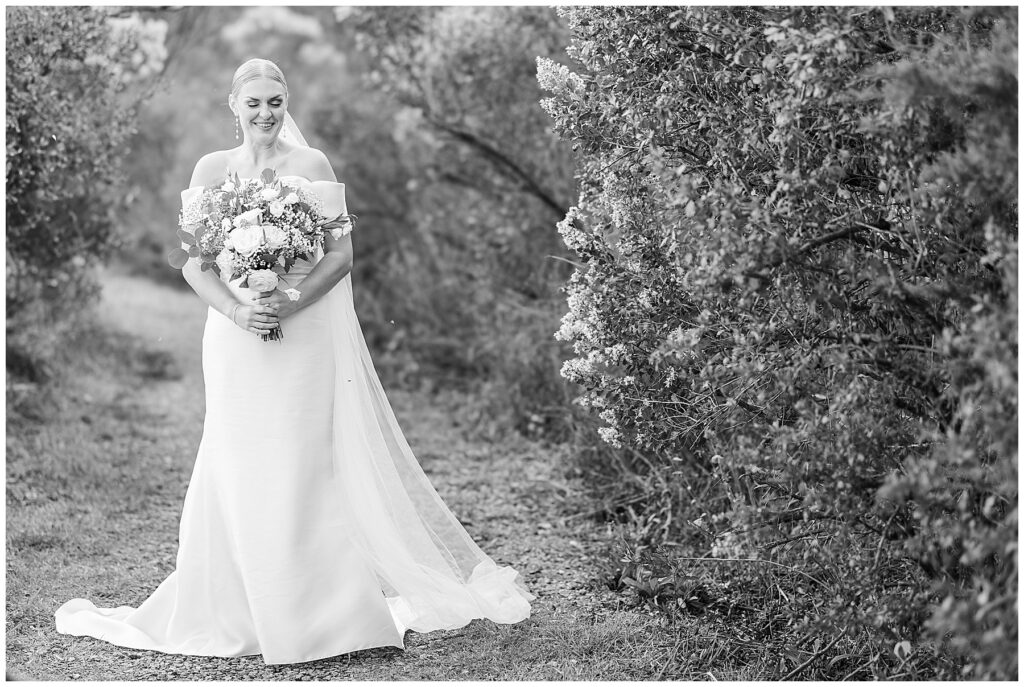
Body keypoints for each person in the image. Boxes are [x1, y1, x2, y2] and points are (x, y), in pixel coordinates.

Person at [55, 58, 534, 666]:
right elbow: (195, 264)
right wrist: (238, 312)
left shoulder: (312, 167)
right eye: (252, 101)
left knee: (302, 461)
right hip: (233, 339)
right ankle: (239, 609)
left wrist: (287, 300)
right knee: (236, 460)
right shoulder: (211, 170)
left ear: (287, 103)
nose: (264, 113)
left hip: (301, 335)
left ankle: (319, 613)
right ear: (233, 105)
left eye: (275, 101)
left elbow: (340, 255)